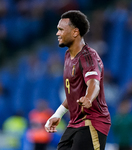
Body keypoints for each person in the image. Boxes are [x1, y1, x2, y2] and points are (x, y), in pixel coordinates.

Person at [44, 10, 111, 150]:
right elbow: (73, 94)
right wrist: (58, 114)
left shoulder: (88, 56)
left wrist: (88, 97)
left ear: (75, 32)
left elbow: (94, 83)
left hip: (91, 122)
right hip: (75, 123)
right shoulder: (68, 56)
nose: (57, 33)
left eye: (61, 30)